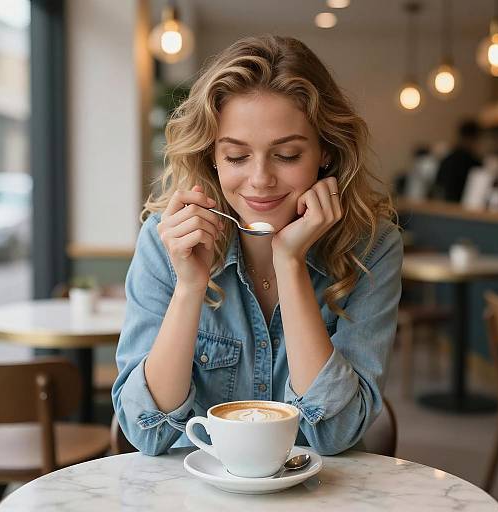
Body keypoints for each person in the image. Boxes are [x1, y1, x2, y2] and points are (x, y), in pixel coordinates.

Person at [112, 35, 403, 456]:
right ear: (211, 154)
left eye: (286, 155)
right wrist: (190, 287)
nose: (261, 179)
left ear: (325, 150)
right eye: (236, 157)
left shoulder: (372, 248)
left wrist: (291, 263)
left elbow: (336, 433)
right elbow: (148, 432)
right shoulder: (167, 240)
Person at [434, 120, 483, 202]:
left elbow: (437, 184)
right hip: (462, 208)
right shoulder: (473, 162)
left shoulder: (447, 159)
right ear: (473, 138)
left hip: (443, 206)